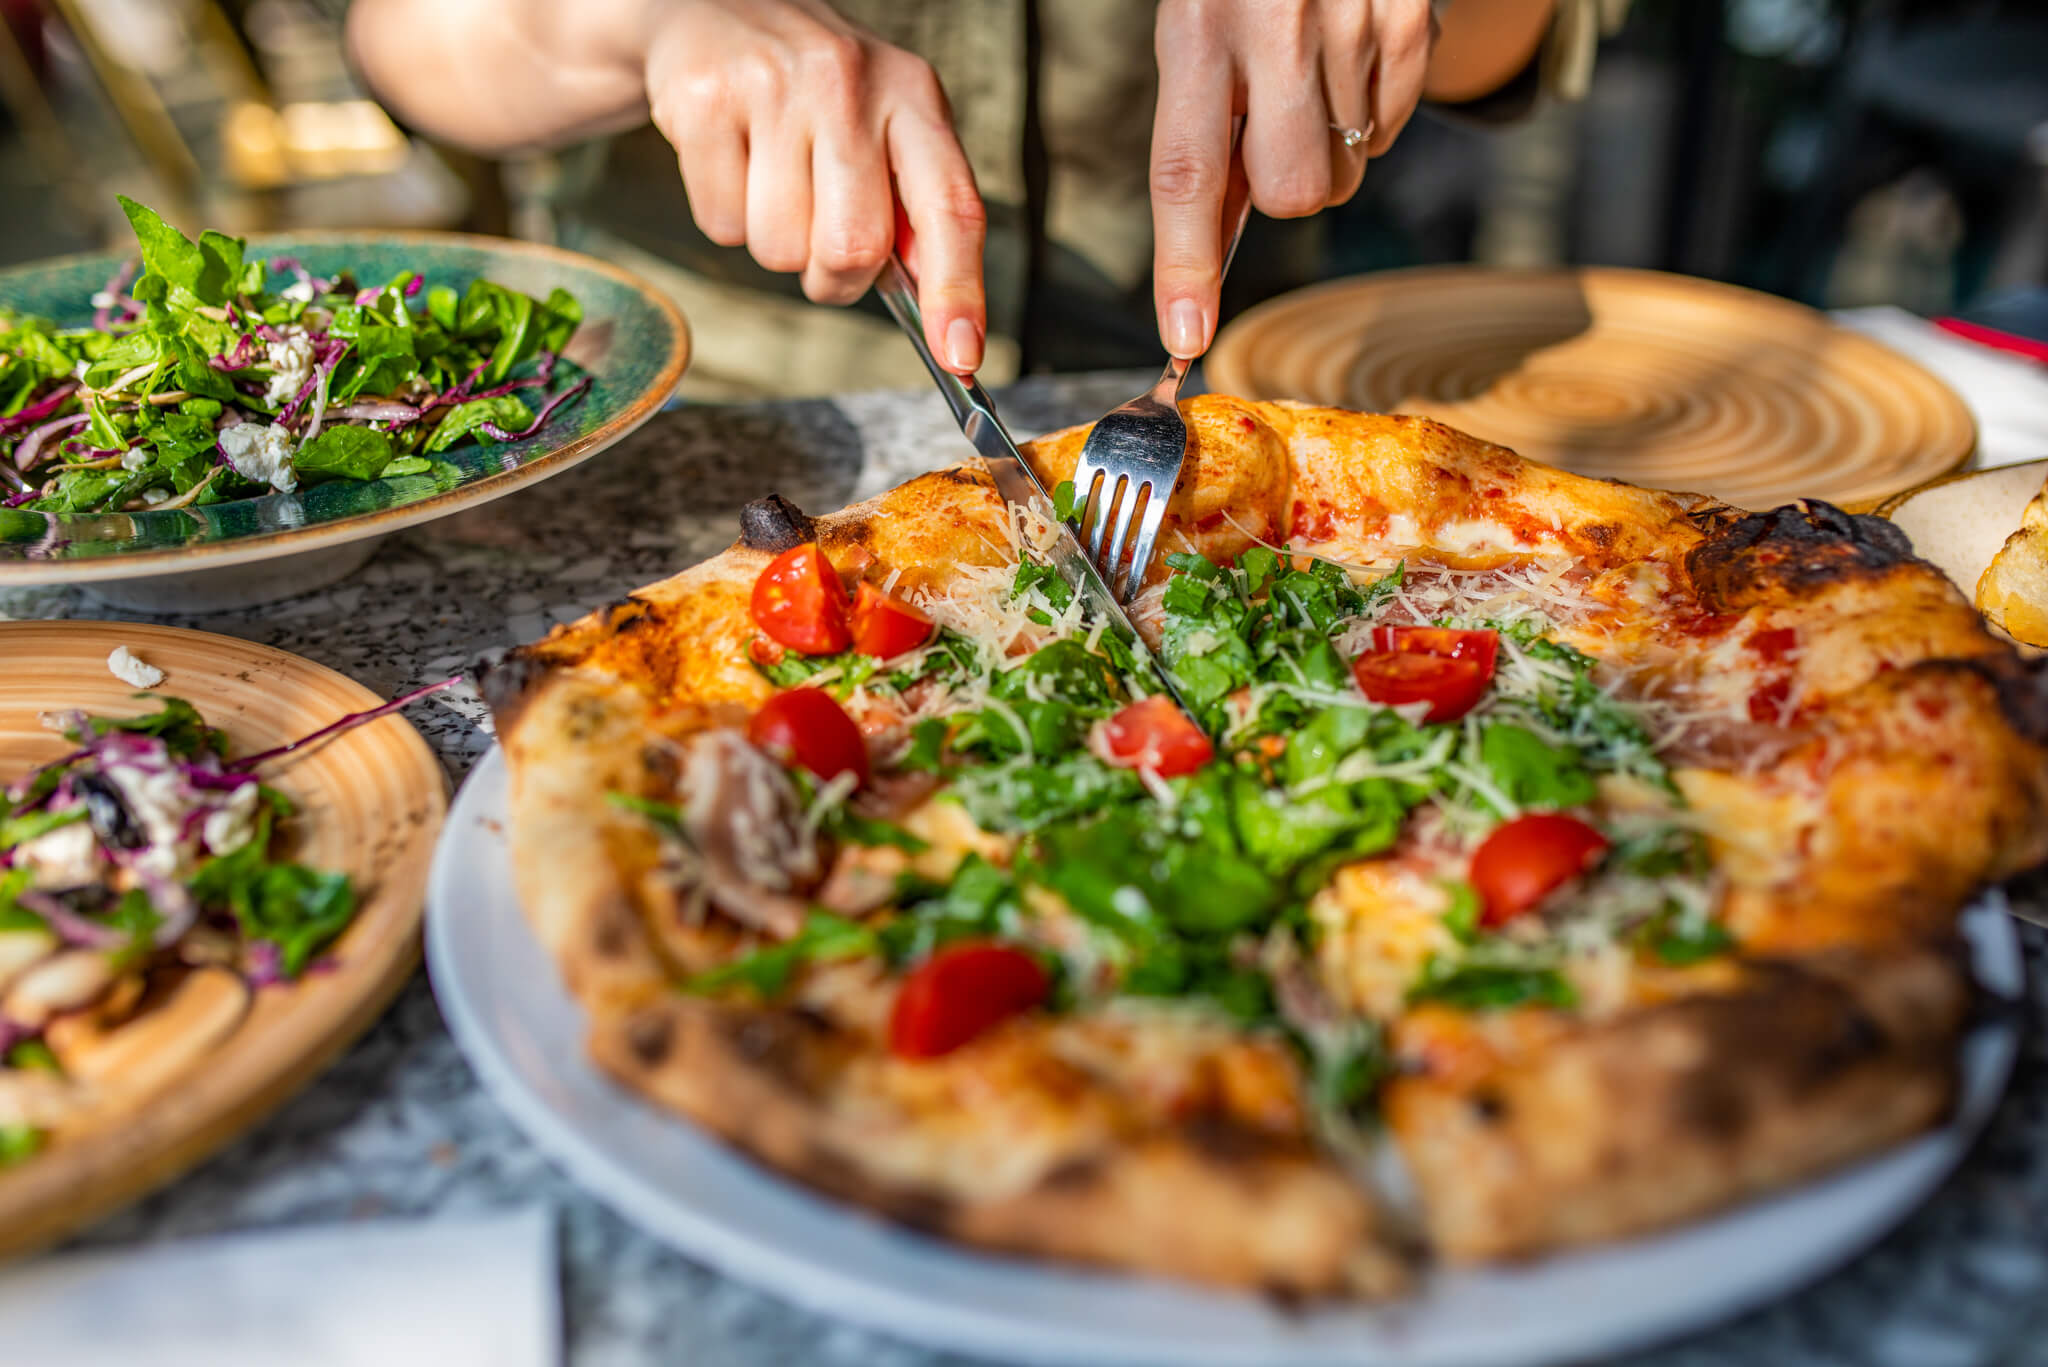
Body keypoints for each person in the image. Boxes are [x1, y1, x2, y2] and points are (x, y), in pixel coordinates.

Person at [348, 0, 1607, 396]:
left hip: (1219, 407)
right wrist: (641, 21)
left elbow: (1524, 41)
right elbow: (405, 37)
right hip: (688, 397)